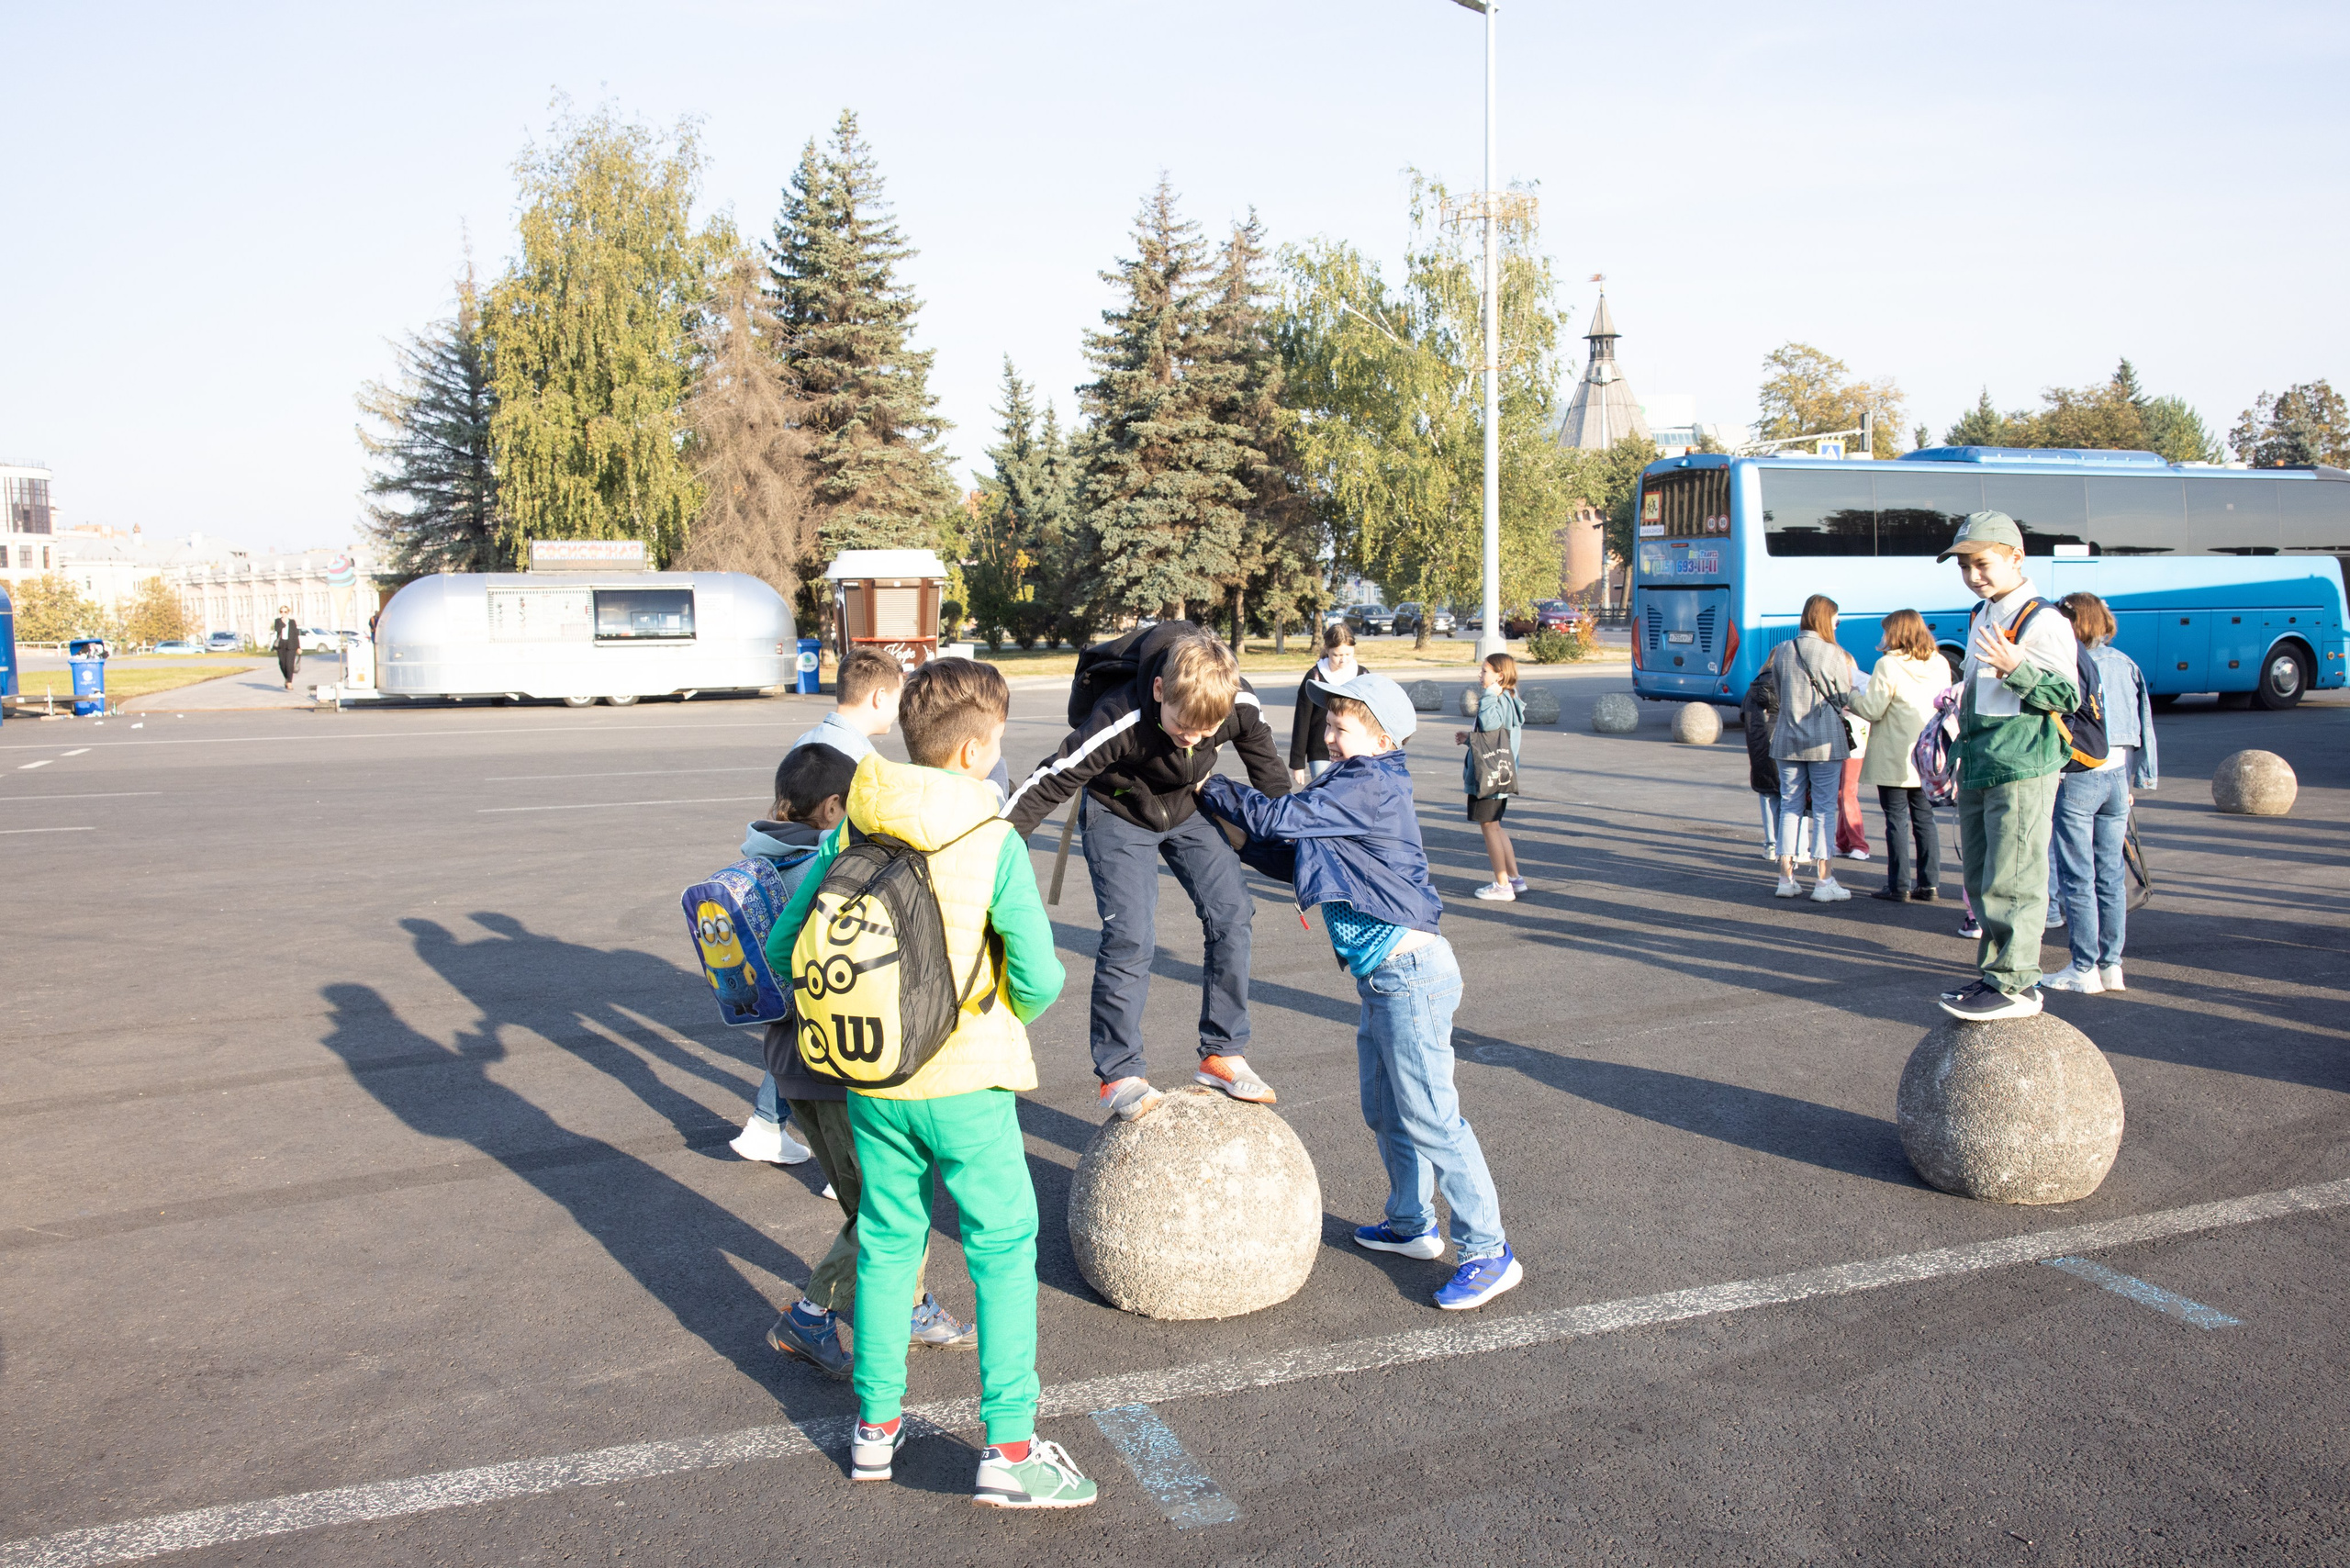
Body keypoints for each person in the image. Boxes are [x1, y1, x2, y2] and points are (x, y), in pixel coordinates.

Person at [761, 657, 1096, 1508]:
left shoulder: (856, 822)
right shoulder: (992, 839)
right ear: (976, 751)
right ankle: (1009, 1448)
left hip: (872, 1078)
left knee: (886, 1243)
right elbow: (1042, 978)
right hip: (966, 1081)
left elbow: (782, 948)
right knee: (1001, 1247)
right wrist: (1000, 1005)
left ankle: (874, 1432)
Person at [1201, 669, 1522, 1311]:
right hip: (1384, 980)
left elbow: (1274, 814)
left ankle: (1489, 1250)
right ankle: (1411, 1225)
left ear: (1379, 737)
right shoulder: (1353, 782)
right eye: (1328, 725)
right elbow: (1290, 851)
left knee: (1432, 1117)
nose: (1329, 735)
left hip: (1411, 977)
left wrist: (1205, 783)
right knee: (1386, 1110)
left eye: (1341, 727)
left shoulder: (1370, 782)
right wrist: (1228, 835)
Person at [1002, 624, 1293, 1121]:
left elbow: (1271, 777)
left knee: (1233, 914)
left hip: (1187, 806)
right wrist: (992, 848)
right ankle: (1120, 1072)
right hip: (1119, 810)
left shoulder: (1237, 703)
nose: (1194, 738)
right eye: (1183, 726)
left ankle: (1222, 1051)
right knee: (1131, 936)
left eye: (1207, 732)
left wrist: (1299, 851)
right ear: (1160, 691)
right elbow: (1050, 779)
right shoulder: (1121, 717)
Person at [755, 744, 979, 1379]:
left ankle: (907, 1306)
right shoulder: (830, 866)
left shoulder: (766, 861)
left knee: (873, 1201)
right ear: (835, 807)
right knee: (887, 1207)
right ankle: (809, 1317)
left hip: (790, 1065)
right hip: (838, 1067)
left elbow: (774, 958)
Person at [1935, 511, 2080, 1021]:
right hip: (1981, 762)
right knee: (1981, 878)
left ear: (2016, 558)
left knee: (2013, 877)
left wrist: (2019, 667)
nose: (1973, 575)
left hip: (2021, 764)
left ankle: (2016, 984)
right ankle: (1996, 975)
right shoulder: (1984, 613)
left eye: (1983, 563)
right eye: (1965, 566)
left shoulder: (2044, 619)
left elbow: (2068, 693)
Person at [2042, 591, 2157, 994]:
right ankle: (2112, 965)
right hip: (2116, 780)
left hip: (2078, 775)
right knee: (2109, 875)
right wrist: (2138, 779)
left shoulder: (2069, 661)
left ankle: (2083, 967)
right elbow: (2142, 724)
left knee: (2077, 877)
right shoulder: (2125, 663)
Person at [1847, 609, 1954, 903]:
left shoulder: (1888, 665)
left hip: (1894, 754)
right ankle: (1929, 884)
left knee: (1896, 820)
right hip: (1929, 753)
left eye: (1885, 631)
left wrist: (1852, 695)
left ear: (1895, 633)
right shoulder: (1940, 662)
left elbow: (1872, 710)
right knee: (1924, 819)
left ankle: (1899, 885)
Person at [1764, 595, 1855, 903]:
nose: (1837, 624)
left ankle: (1785, 877)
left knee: (1789, 806)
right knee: (1825, 808)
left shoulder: (1783, 650)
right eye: (1836, 619)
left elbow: (1778, 690)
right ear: (1825, 618)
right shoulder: (1833, 653)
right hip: (1824, 740)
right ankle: (1823, 879)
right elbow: (1842, 695)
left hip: (1787, 738)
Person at [1454, 652, 1525, 901]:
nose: (1480, 675)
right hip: (1501, 774)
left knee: (1489, 827)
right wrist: (1469, 739)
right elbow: (1493, 738)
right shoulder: (1510, 698)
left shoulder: (1496, 699)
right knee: (1495, 825)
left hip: (1489, 777)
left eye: (1485, 671)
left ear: (1499, 675)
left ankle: (1502, 884)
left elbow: (1490, 726)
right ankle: (1514, 878)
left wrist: (1487, 696)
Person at [789, 647, 903, 765]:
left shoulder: (803, 742)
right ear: (880, 696)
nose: (900, 706)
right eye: (899, 696)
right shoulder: (863, 760)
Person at [1290, 621, 1360, 784]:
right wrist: (1297, 762)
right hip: (1320, 752)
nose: (1343, 660)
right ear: (1327, 649)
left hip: (1355, 750)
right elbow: (1302, 720)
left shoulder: (1362, 675)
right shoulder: (1315, 677)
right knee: (1326, 797)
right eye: (1337, 655)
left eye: (1348, 654)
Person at [1833, 658, 1874, 864]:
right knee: (1842, 793)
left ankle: (1859, 844)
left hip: (1855, 745)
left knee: (1847, 793)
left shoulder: (1857, 690)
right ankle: (1843, 841)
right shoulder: (1854, 688)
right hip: (1847, 744)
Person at [271, 606, 302, 691]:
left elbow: (295, 635)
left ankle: (289, 682)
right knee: (282, 664)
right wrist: (283, 623)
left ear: (288, 612)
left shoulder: (292, 622)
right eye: (281, 612)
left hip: (291, 645)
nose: (283, 614)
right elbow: (277, 629)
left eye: (285, 612)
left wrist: (298, 647)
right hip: (281, 645)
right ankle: (287, 678)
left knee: (289, 664)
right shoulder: (278, 621)